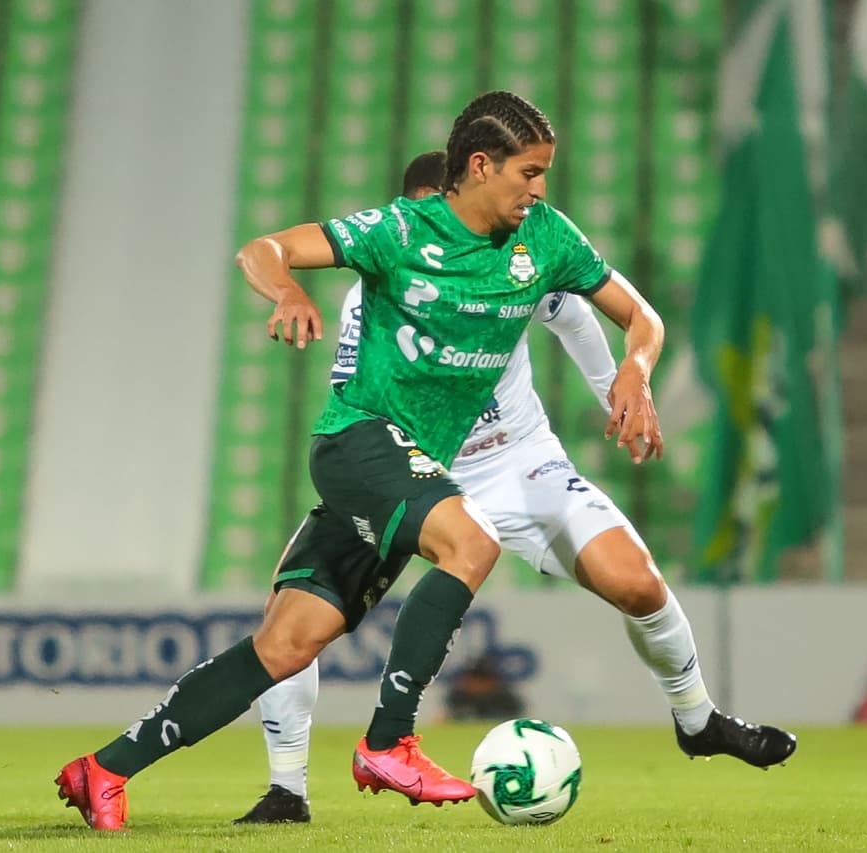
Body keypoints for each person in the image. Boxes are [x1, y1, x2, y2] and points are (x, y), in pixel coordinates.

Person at [55, 90, 668, 831]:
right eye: (528, 173)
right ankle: (389, 742)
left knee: (285, 645)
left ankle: (104, 769)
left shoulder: (547, 237)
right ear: (480, 165)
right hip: (360, 442)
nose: (539, 190)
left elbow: (641, 314)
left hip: (405, 466)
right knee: (472, 541)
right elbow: (264, 249)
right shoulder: (399, 230)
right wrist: (285, 288)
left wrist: (634, 366)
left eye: (544, 175)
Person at [234, 152, 798, 824]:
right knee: (289, 621)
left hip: (515, 462)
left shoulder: (512, 256)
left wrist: (623, 385)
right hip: (411, 472)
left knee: (639, 582)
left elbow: (581, 314)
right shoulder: (374, 294)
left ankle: (698, 718)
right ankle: (287, 788)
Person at [444, 654, 526, 722]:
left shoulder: (506, 700)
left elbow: (515, 718)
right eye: (473, 678)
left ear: (492, 680)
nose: (477, 684)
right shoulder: (458, 698)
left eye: (482, 679)